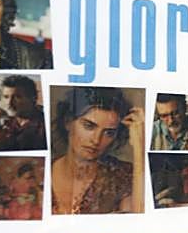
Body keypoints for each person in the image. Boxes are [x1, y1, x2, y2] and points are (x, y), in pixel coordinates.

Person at [51, 86, 144, 214]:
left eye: (108, 133)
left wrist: (140, 148)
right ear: (68, 122)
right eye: (89, 126)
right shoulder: (39, 171)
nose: (96, 140)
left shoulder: (123, 176)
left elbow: (139, 225)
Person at [0, 74, 47, 151]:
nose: (9, 102)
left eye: (17, 97)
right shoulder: (5, 123)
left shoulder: (44, 125)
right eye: (6, 97)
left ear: (33, 98)